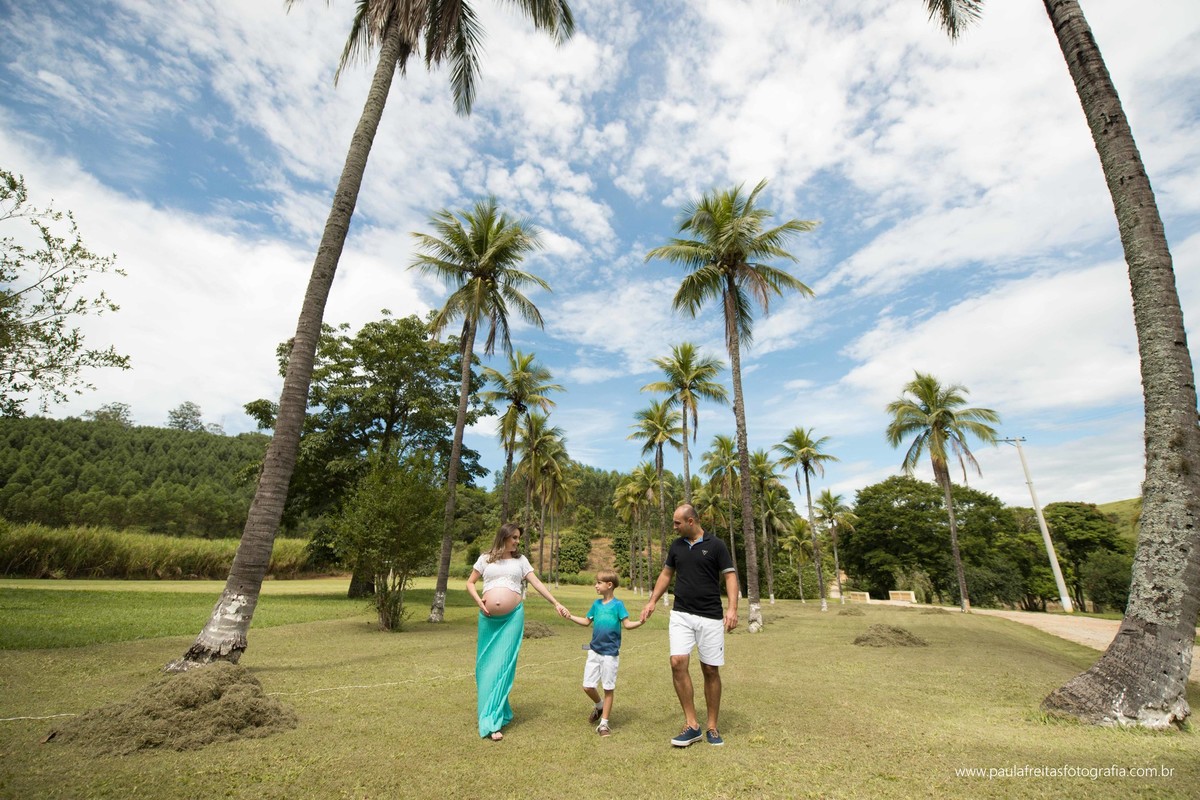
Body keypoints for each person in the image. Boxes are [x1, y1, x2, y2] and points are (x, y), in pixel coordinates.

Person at [640, 503, 738, 747]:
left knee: (710, 669)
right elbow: (666, 574)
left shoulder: (716, 545)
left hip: (710, 616)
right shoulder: (676, 546)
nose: (674, 527)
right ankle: (692, 725)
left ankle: (712, 727)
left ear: (691, 521)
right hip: (681, 614)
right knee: (677, 662)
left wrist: (733, 608)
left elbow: (730, 575)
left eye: (677, 523)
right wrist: (652, 601)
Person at [467, 522, 569, 741]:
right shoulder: (485, 558)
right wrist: (479, 602)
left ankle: (492, 721)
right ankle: (497, 710)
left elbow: (537, 583)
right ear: (503, 536)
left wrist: (556, 603)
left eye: (518, 538)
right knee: (485, 668)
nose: (517, 541)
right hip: (488, 619)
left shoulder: (520, 561)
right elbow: (470, 583)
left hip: (512, 618)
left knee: (503, 666)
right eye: (513, 537)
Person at [564, 569, 644, 736]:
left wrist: (641, 621)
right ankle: (599, 706)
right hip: (594, 652)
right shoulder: (596, 605)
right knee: (587, 686)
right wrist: (569, 616)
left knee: (608, 687)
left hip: (610, 654)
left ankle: (604, 724)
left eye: (598, 583)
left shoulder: (618, 605)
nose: (596, 585)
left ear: (609, 585)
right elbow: (586, 622)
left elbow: (627, 625)